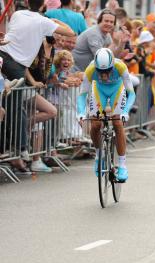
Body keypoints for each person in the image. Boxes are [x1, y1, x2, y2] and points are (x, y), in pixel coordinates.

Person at [0, 0, 75, 173]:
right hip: (15, 65)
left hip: (4, 56)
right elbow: (70, 32)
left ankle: (16, 148)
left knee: (8, 107)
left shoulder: (17, 15)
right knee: (15, 107)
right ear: (42, 5)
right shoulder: (43, 21)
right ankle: (20, 147)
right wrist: (55, 21)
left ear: (26, 2)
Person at [77, 48, 136, 182]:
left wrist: (125, 111)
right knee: (96, 123)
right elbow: (82, 95)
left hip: (116, 89)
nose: (104, 75)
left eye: (107, 71)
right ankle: (99, 156)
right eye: (101, 72)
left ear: (112, 66)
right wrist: (80, 113)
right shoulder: (90, 70)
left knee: (117, 122)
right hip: (99, 90)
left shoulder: (120, 66)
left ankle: (122, 165)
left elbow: (131, 93)